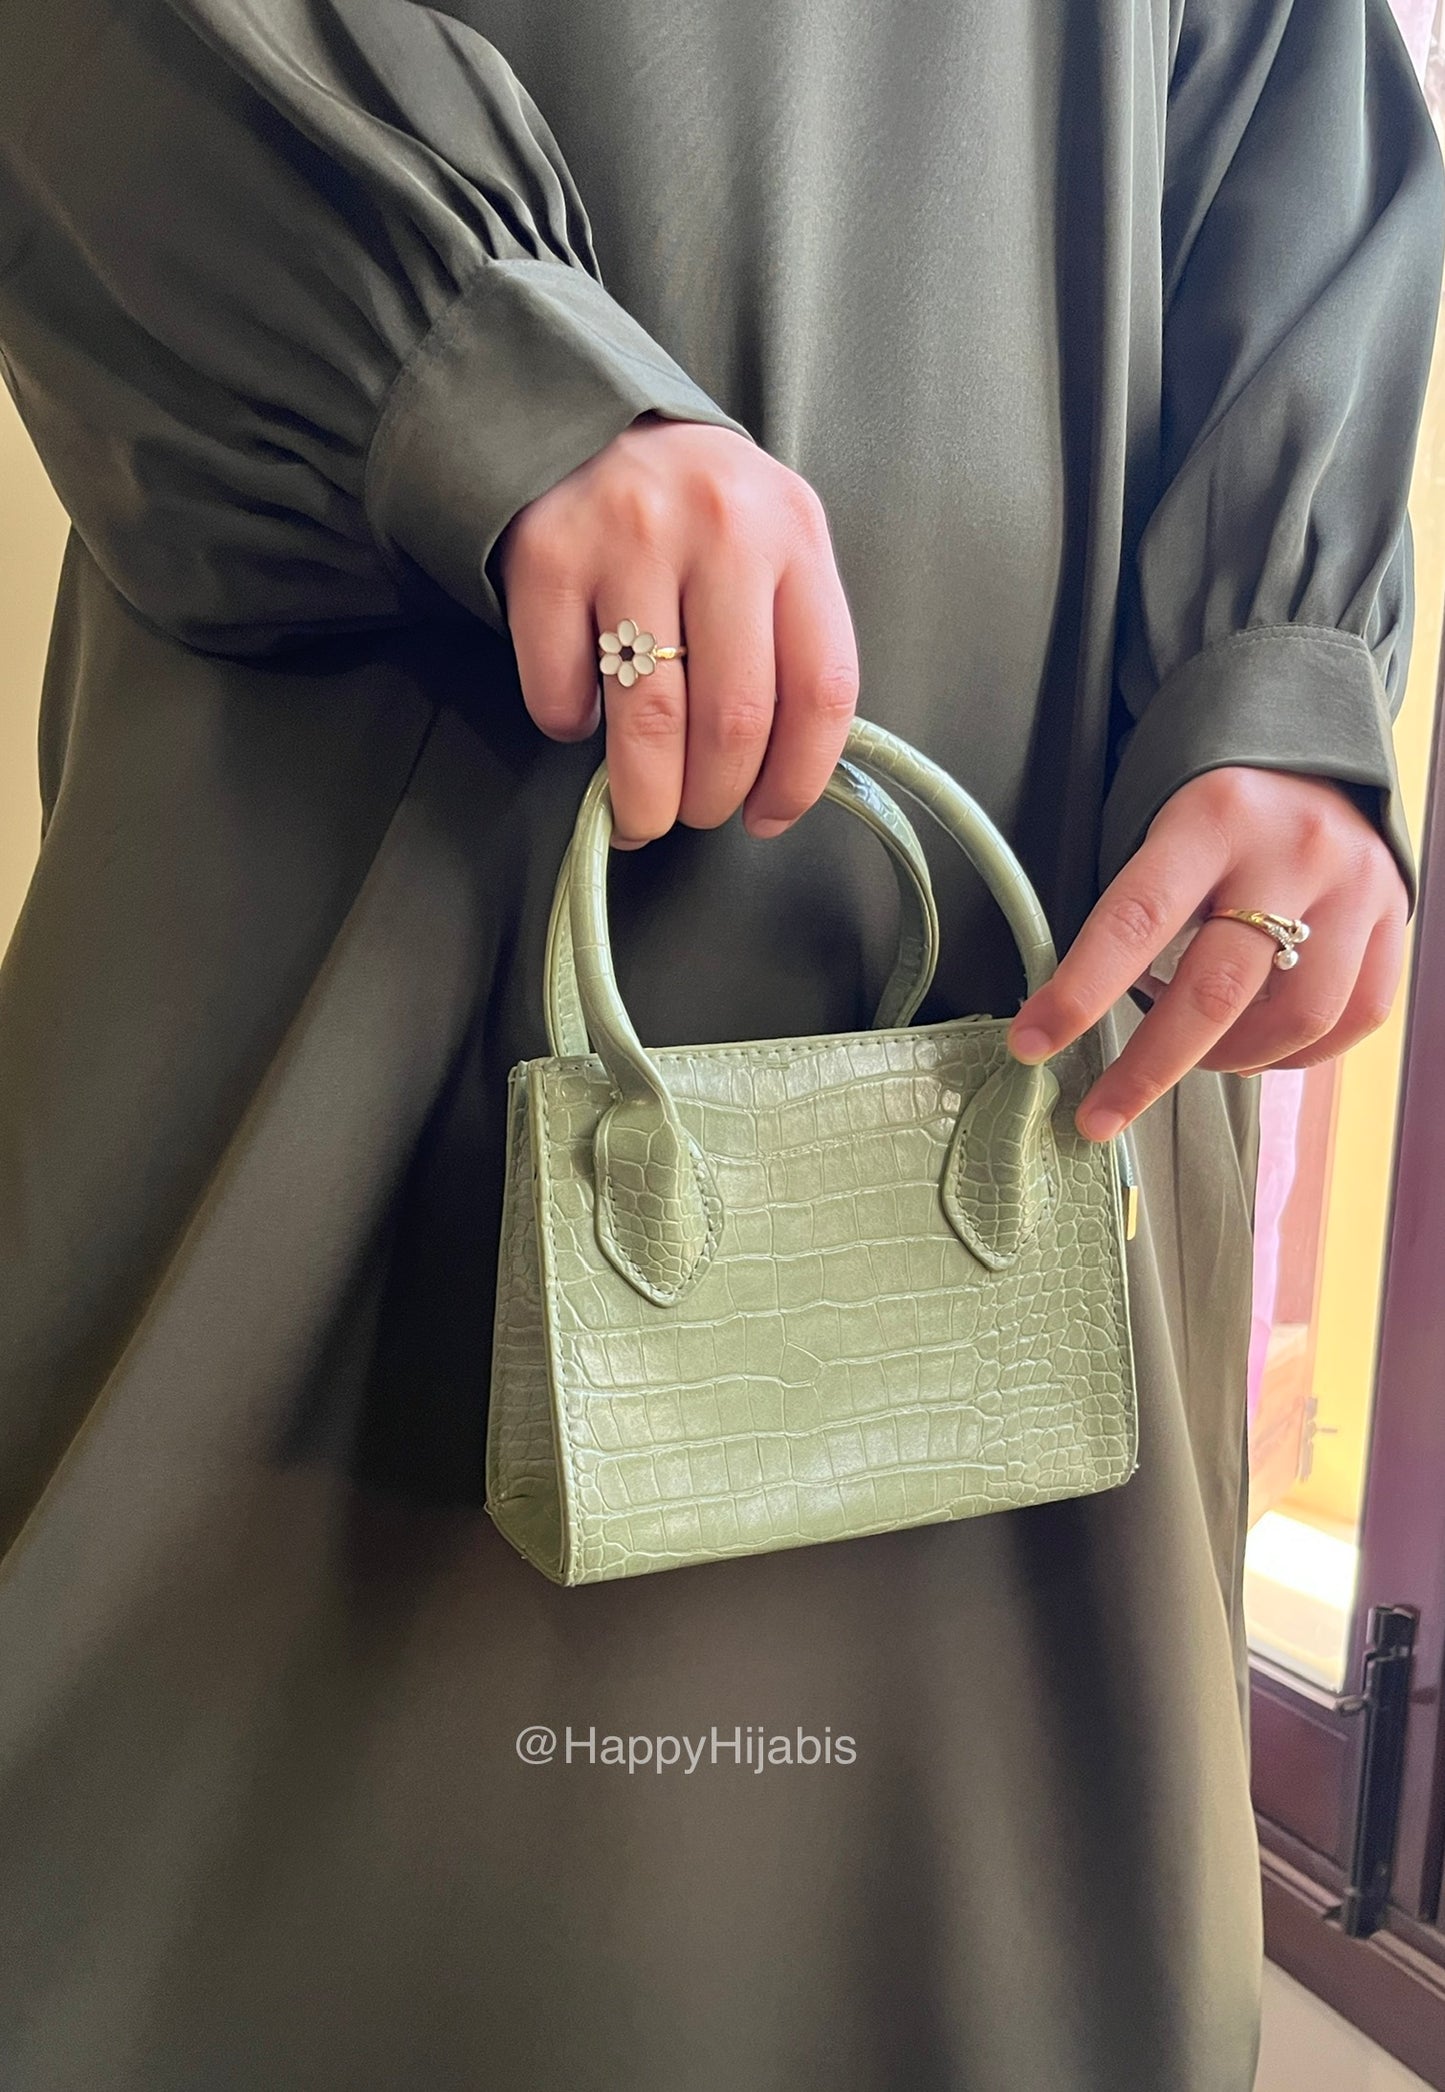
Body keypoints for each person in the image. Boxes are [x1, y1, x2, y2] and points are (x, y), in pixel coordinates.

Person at [0, 1, 1439, 2084]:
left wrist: (1288, 675)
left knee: (991, 1937)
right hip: (395, 821)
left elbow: (1284, 103)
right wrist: (469, 352)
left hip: (1043, 968)